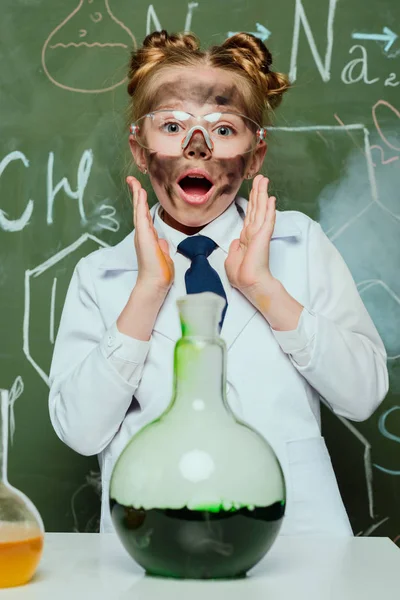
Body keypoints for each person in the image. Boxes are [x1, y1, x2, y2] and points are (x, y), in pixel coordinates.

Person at [48, 30, 389, 536]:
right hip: (153, 545)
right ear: (140, 150)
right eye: (171, 126)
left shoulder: (302, 245)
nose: (198, 147)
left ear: (255, 156)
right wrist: (146, 292)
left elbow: (363, 394)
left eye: (224, 129)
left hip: (298, 544)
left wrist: (264, 288)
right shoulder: (100, 277)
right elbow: (79, 430)